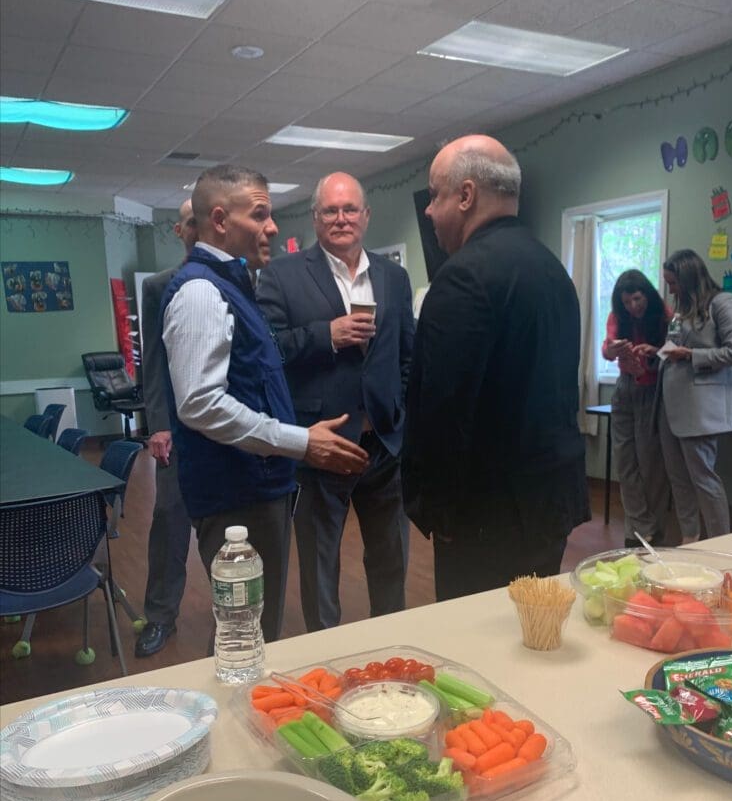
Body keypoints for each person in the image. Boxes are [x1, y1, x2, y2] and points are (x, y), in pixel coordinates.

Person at [161, 164, 368, 644]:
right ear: (219, 220)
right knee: (245, 637)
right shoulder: (200, 292)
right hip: (236, 499)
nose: (272, 227)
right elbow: (200, 403)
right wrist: (299, 441)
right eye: (260, 215)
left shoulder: (235, 286)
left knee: (257, 630)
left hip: (257, 491)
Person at [401, 135, 590, 602]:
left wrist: (438, 515)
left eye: (435, 195)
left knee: (481, 649)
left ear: (466, 196)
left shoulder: (462, 277)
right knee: (533, 631)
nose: (428, 211)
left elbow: (442, 410)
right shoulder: (553, 270)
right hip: (549, 505)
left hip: (485, 516)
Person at [259, 172, 414, 631]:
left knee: (392, 562)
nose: (341, 219)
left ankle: (391, 647)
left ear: (366, 216)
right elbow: (265, 350)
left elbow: (407, 352)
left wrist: (400, 414)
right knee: (320, 569)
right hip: (322, 449)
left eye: (350, 210)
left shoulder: (393, 277)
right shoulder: (281, 275)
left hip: (384, 446)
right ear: (315, 218)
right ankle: (324, 657)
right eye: (331, 210)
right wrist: (323, 335)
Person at [134, 200, 196, 659]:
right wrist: (158, 424)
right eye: (191, 221)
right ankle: (160, 616)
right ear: (180, 229)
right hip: (179, 429)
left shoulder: (242, 280)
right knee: (170, 523)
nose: (200, 227)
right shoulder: (159, 287)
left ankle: (240, 620)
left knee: (234, 532)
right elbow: (152, 361)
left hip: (231, 431)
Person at [658, 248, 732, 542]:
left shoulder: (723, 303)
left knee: (703, 479)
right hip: (671, 406)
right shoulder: (682, 309)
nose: (670, 289)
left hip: (701, 409)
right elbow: (673, 347)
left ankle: (721, 542)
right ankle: (690, 540)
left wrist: (691, 355)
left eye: (673, 283)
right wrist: (655, 352)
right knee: (678, 480)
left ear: (688, 278)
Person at [602, 269, 672, 549]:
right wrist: (614, 349)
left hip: (653, 391)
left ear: (647, 294)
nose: (633, 306)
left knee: (650, 463)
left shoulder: (664, 315)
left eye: (637, 299)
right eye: (627, 302)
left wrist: (654, 351)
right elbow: (606, 349)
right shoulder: (618, 317)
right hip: (625, 390)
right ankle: (641, 530)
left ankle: (650, 531)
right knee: (625, 462)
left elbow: (677, 350)